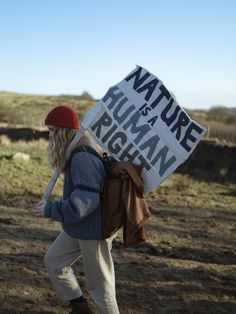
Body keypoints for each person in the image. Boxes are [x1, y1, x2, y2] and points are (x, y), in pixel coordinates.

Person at [35, 105, 120, 314]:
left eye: (53, 130)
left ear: (64, 132)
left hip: (94, 232)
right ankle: (79, 306)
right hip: (79, 228)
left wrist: (51, 209)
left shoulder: (83, 157)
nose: (50, 135)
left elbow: (85, 202)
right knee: (55, 261)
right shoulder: (75, 153)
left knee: (101, 290)